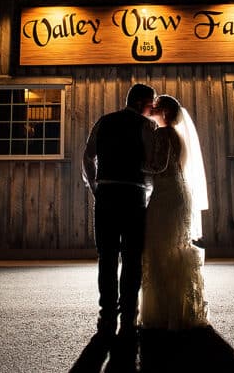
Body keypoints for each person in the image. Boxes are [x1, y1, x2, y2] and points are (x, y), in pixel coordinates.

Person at [82, 83, 157, 340]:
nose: (153, 108)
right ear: (140, 103)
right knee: (132, 258)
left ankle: (106, 317)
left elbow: (87, 156)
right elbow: (150, 164)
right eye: (151, 103)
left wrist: (94, 185)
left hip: (105, 195)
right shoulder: (146, 126)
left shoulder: (104, 121)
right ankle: (128, 316)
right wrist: (152, 191)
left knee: (107, 257)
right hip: (133, 195)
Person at [140, 94, 210, 331]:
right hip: (179, 194)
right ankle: (179, 311)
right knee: (173, 249)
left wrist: (134, 164)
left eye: (156, 107)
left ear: (165, 113)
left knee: (159, 250)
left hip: (165, 197)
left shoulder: (162, 134)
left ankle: (163, 313)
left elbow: (158, 166)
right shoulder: (178, 136)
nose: (152, 108)